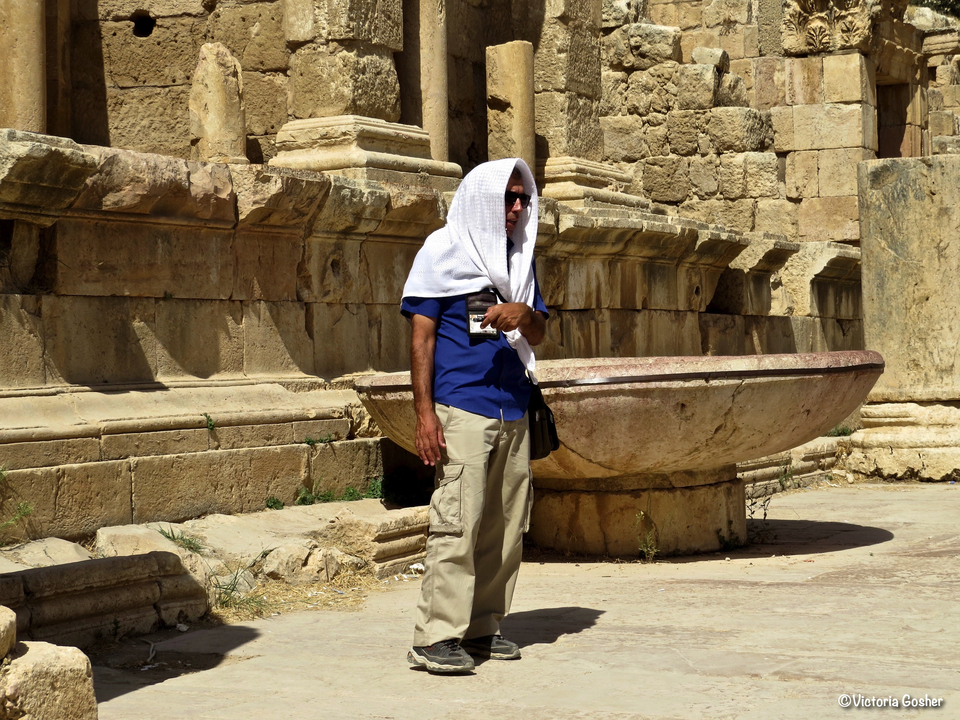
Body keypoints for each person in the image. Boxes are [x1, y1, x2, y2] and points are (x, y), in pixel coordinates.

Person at [400, 158, 548, 674]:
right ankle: (436, 637)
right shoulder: (442, 251)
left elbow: (540, 333)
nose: (517, 208)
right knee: (456, 522)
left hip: (513, 408)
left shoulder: (520, 259)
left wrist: (525, 316)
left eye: (523, 199)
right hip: (462, 406)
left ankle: (483, 627)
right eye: (509, 197)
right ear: (483, 199)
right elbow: (421, 338)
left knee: (505, 527)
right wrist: (424, 414)